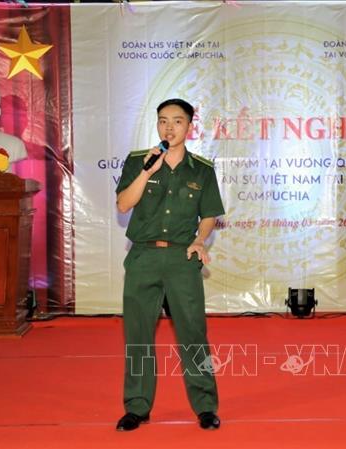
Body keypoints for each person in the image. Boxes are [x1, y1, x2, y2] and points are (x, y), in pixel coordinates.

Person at [115, 98, 224, 431]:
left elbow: (208, 215)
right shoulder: (139, 161)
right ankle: (137, 407)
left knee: (193, 333)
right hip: (143, 258)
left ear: (190, 127)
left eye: (177, 121)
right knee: (138, 335)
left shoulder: (201, 169)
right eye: (163, 121)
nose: (169, 128)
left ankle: (205, 406)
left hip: (181, 259)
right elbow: (123, 205)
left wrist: (198, 241)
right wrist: (149, 170)